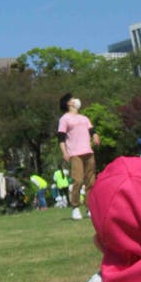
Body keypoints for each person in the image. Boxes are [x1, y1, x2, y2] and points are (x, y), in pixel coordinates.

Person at [57, 93, 100, 221]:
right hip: (75, 154)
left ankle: (89, 207)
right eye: (73, 99)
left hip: (88, 152)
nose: (76, 100)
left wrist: (95, 136)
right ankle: (75, 207)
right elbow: (61, 138)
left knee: (91, 182)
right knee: (78, 180)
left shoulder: (84, 118)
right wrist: (64, 152)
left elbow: (91, 130)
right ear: (68, 103)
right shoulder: (64, 119)